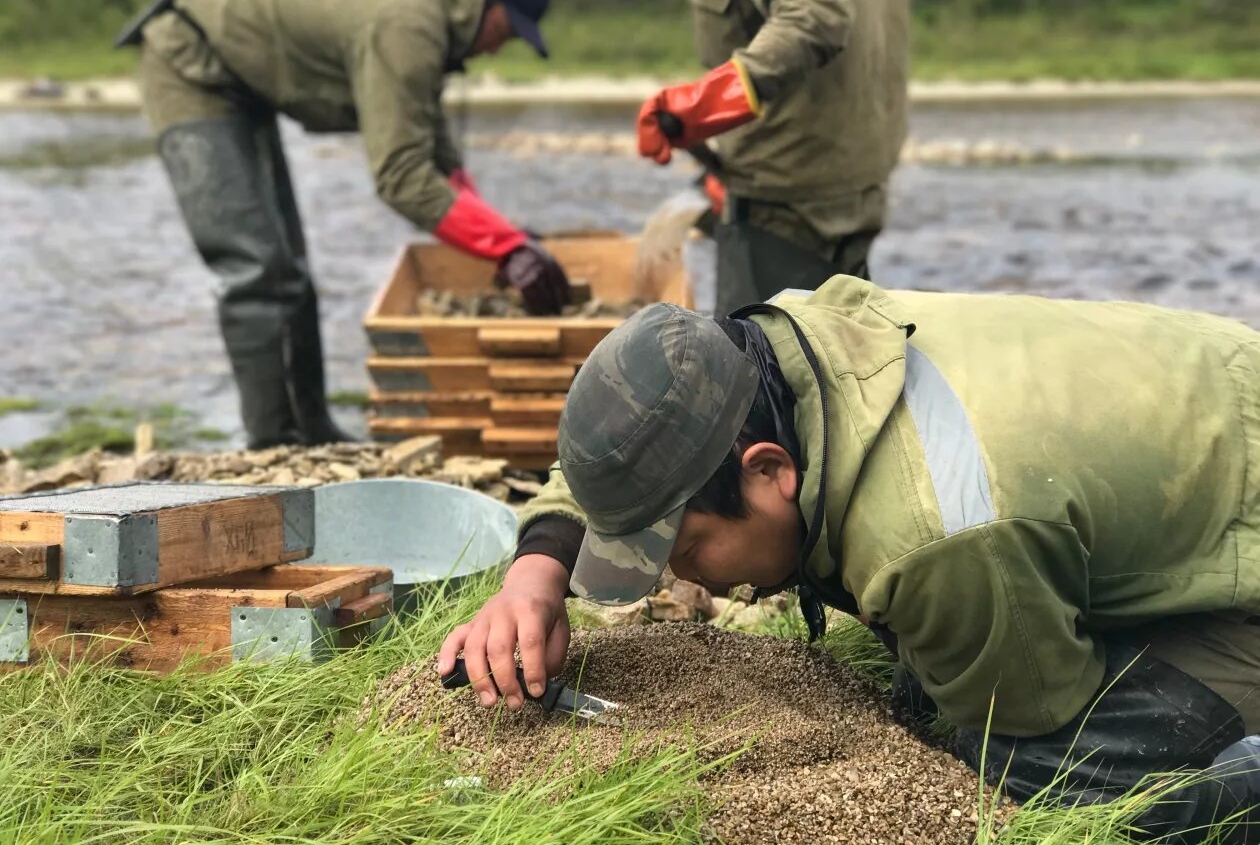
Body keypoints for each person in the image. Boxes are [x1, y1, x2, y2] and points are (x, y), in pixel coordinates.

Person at [441, 278, 1260, 841]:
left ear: (769, 471)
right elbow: (627, 453)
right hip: (1202, 399)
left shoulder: (931, 536)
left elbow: (1036, 714)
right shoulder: (762, 351)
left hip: (1243, 511)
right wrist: (535, 574)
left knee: (1039, 784)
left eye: (686, 549)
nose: (684, 580)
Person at [121, 0, 570, 449]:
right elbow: (400, 175)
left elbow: (434, 152)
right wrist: (507, 251)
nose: (499, 45)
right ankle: (273, 449)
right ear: (487, 2)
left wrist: (503, 235)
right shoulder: (407, 17)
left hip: (240, 80)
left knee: (288, 264)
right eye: (507, 30)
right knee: (256, 267)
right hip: (189, 64)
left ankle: (312, 432)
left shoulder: (426, 4)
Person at [635, 0, 910, 316]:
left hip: (787, 216)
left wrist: (704, 106)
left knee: (762, 378)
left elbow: (815, 13)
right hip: (845, 196)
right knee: (839, 373)